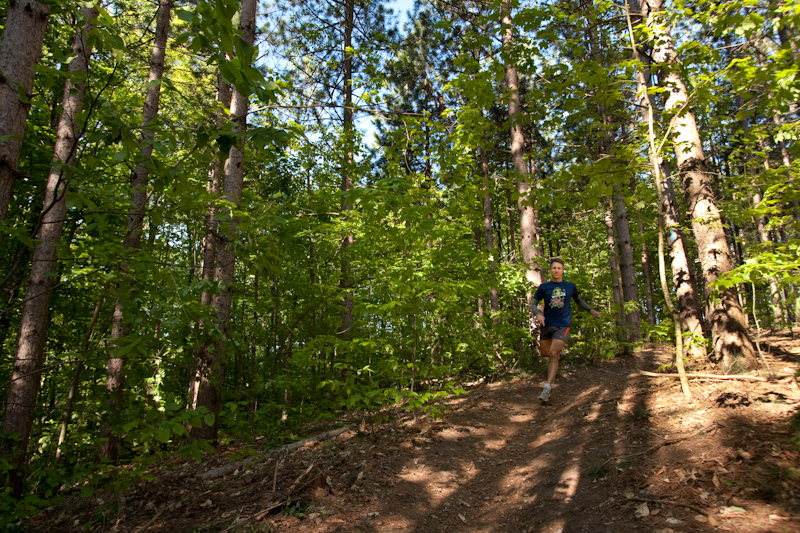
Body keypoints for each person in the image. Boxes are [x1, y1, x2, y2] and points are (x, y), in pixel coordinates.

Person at [532, 257, 601, 405]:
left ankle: (547, 388)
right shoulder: (544, 287)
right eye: (554, 268)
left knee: (553, 354)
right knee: (545, 353)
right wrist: (538, 313)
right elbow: (534, 303)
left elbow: (578, 301)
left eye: (559, 268)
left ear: (562, 270)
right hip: (547, 324)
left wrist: (590, 310)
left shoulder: (570, 286)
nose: (556, 270)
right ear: (550, 270)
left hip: (563, 325)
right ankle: (560, 354)